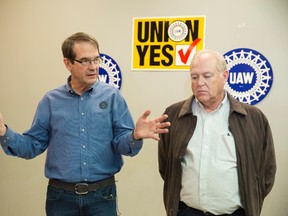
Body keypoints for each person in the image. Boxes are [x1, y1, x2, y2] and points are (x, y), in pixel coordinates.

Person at [0, 32, 170, 216]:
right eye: (85, 61)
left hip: (102, 197)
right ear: (68, 63)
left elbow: (123, 145)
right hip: (61, 199)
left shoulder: (112, 97)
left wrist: (134, 136)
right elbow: (32, 146)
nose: (94, 67)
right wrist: (3, 132)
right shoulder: (50, 101)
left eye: (97, 60)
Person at [158, 50, 276, 216]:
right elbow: (166, 167)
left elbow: (266, 171)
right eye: (194, 77)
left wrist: (252, 199)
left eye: (207, 76)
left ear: (225, 76)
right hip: (186, 211)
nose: (200, 83)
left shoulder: (253, 118)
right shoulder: (173, 115)